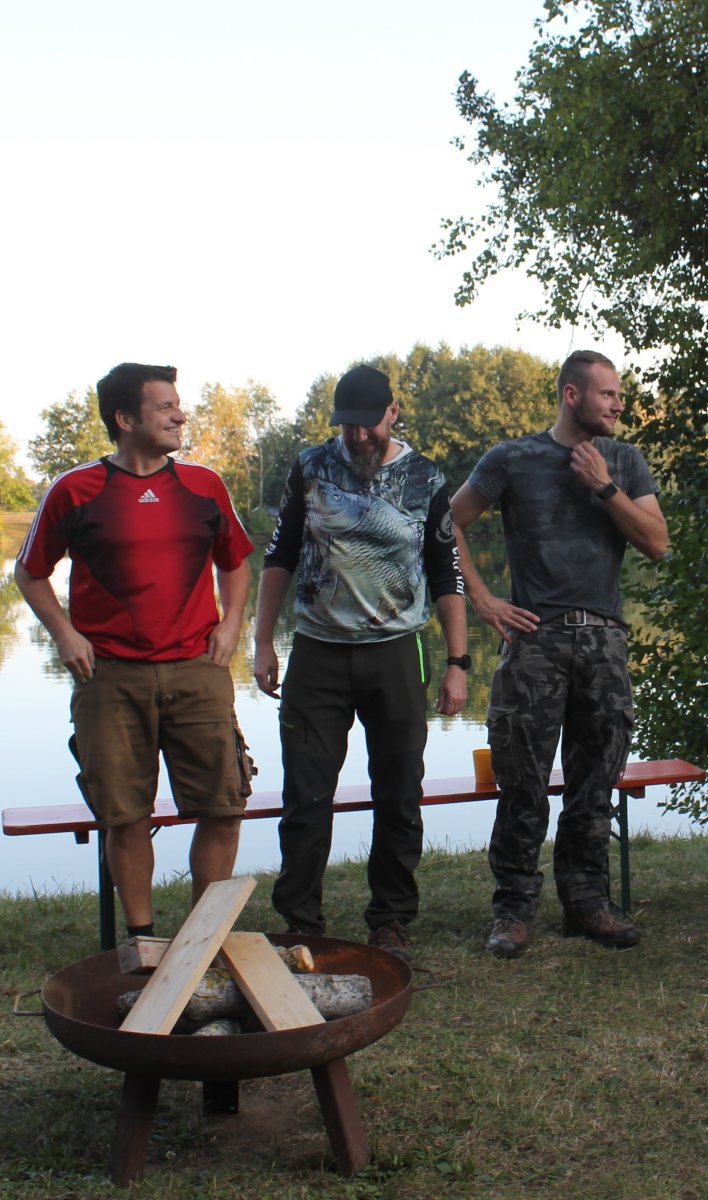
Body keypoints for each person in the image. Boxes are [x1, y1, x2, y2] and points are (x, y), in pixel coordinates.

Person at [16, 362, 254, 939]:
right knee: (124, 815)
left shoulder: (203, 485)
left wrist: (232, 623)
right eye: (165, 407)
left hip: (198, 669)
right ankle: (142, 941)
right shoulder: (75, 490)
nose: (180, 416)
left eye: (178, 404)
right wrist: (65, 634)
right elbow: (29, 572)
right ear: (125, 419)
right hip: (109, 678)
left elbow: (235, 561)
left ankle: (202, 939)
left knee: (224, 806)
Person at [450, 350, 668, 958]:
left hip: (604, 641)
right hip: (535, 640)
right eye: (608, 394)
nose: (618, 404)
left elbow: (656, 543)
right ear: (573, 395)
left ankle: (587, 903)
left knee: (595, 784)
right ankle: (513, 910)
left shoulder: (624, 460)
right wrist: (484, 600)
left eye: (619, 394)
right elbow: (445, 524)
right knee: (521, 784)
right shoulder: (512, 458)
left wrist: (604, 486)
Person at [253, 364, 468, 964]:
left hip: (397, 652)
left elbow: (446, 572)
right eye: (346, 426)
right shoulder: (310, 466)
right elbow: (280, 554)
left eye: (368, 424)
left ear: (392, 412)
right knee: (305, 794)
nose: (357, 436)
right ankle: (302, 922)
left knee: (398, 792)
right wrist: (264, 641)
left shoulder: (427, 478)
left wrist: (458, 661)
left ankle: (391, 920)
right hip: (317, 653)